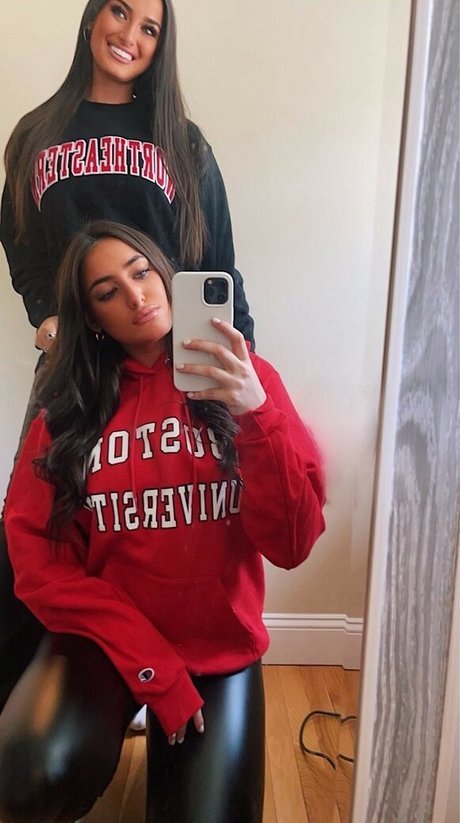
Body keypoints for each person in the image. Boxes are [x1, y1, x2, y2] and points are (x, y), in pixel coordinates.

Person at [0, 220, 325, 823]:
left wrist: (255, 414)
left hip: (217, 648)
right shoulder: (68, 407)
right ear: (92, 318)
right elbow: (38, 562)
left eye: (142, 272)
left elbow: (293, 543)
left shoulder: (247, 379)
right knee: (26, 778)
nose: (136, 296)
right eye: (107, 292)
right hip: (106, 641)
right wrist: (152, 667)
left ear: (167, 275)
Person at [0, 0, 254, 715]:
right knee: (34, 535)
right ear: (91, 18)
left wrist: (243, 368)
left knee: (174, 526)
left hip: (171, 366)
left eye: (150, 28)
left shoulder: (181, 141)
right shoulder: (36, 135)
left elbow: (217, 261)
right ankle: (31, 705)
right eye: (120, 11)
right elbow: (19, 241)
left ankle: (164, 675)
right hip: (77, 367)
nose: (130, 35)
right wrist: (46, 317)